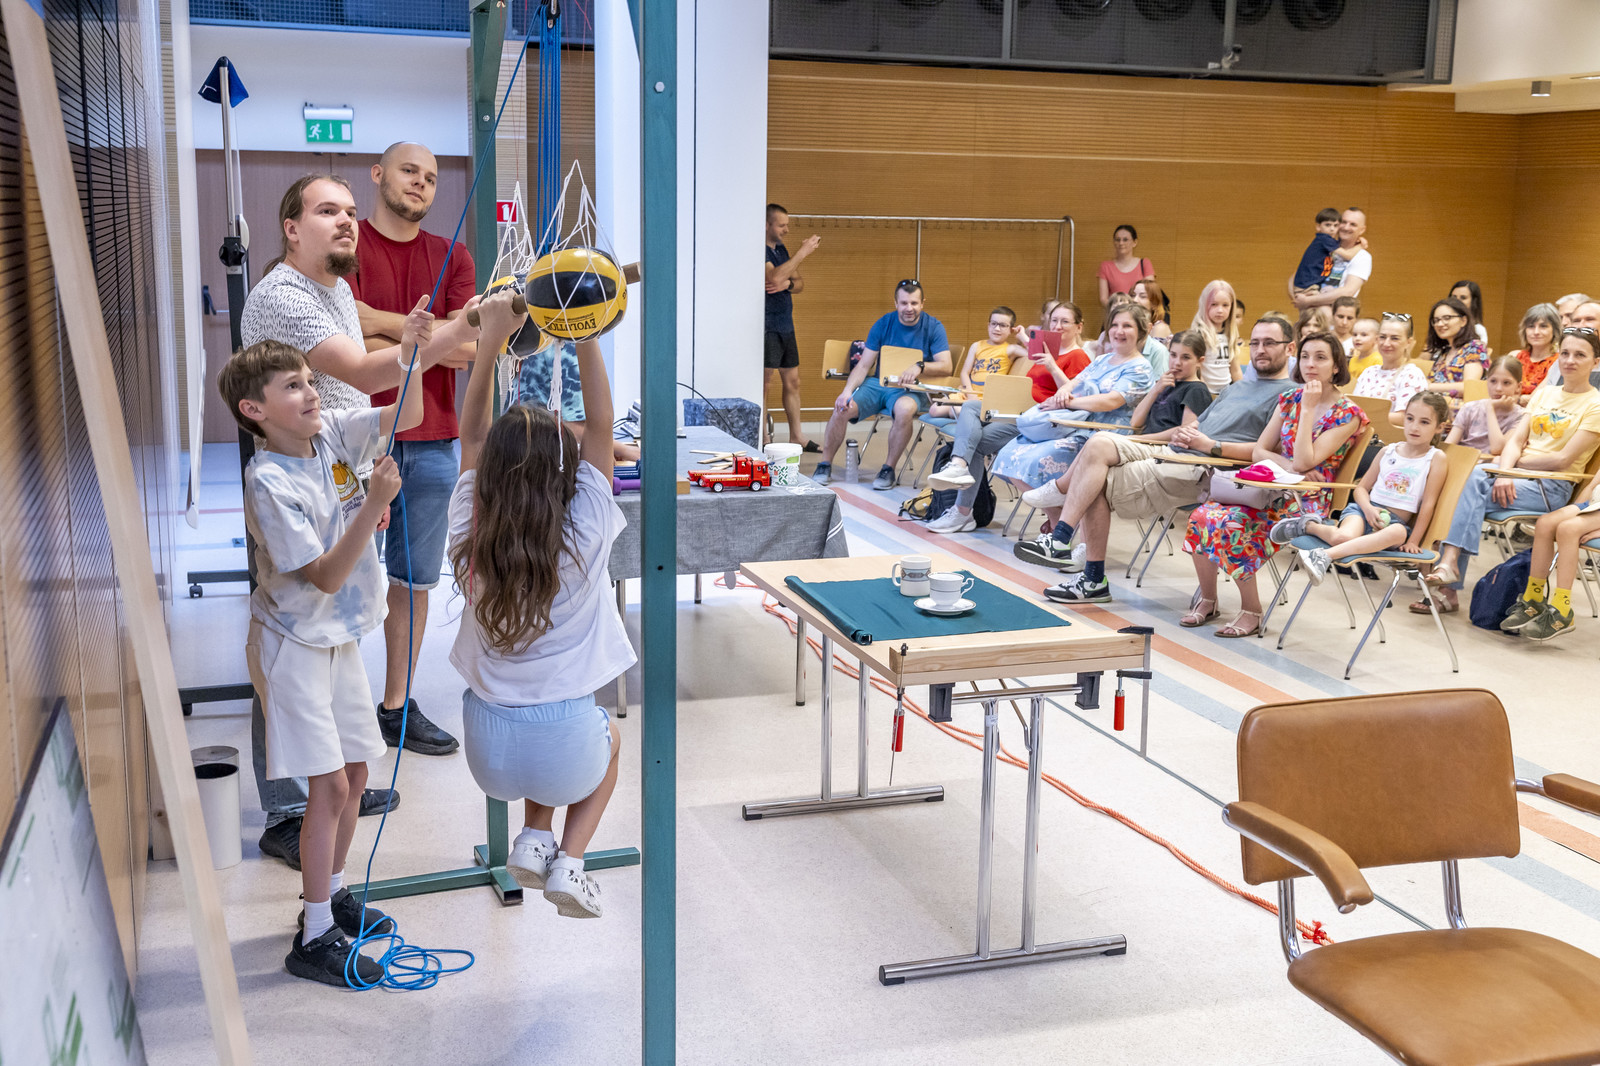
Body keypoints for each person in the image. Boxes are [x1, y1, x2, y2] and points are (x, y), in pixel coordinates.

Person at [240, 173, 482, 868]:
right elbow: (369, 376)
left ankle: (333, 781)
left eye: (349, 211)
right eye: (327, 211)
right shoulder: (284, 296)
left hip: (341, 483)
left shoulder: (338, 292)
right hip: (302, 492)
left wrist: (361, 494)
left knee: (334, 639)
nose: (346, 221)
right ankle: (289, 809)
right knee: (291, 641)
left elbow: (376, 391)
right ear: (292, 228)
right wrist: (463, 329)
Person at [221, 320, 426, 985]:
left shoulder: (331, 433)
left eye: (311, 381)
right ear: (254, 410)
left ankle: (330, 897)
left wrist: (414, 351)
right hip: (293, 644)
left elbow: (408, 411)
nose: (312, 393)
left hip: (337, 639)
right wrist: (374, 503)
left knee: (358, 775)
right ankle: (313, 937)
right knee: (330, 787)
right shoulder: (267, 481)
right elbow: (327, 576)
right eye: (293, 386)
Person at [449, 321, 631, 919]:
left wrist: (488, 344)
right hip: (566, 749)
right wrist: (586, 332)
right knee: (610, 738)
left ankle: (532, 837)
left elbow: (470, 434)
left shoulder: (470, 533)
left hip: (486, 753)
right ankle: (570, 864)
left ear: (489, 475)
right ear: (565, 472)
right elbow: (602, 427)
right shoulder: (585, 533)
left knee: (545, 726)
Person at [349, 142, 477, 761]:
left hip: (434, 442)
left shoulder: (453, 255)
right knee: (343, 580)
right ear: (378, 174)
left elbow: (470, 348)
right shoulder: (348, 245)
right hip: (356, 439)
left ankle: (396, 707)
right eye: (408, 171)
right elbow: (340, 333)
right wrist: (428, 333)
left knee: (413, 581)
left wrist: (380, 321)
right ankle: (340, 708)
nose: (421, 183)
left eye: (430, 177)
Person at [1017, 315, 1298, 596]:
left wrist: (1210, 445)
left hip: (1207, 467)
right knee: (1098, 444)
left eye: (1269, 343)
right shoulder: (1236, 387)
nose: (1260, 349)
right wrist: (1186, 433)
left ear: (1290, 348)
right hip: (1176, 449)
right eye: (1255, 343)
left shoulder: (1290, 395)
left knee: (1094, 480)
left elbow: (1269, 452)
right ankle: (1063, 541)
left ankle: (1085, 571)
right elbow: (1197, 424)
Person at [1181, 331, 1367, 636]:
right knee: (1202, 515)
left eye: (1320, 358)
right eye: (1305, 356)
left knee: (1231, 522)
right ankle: (1209, 600)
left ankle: (1251, 610)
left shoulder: (1348, 414)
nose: (1310, 364)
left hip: (1308, 499)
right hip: (1274, 487)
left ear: (1336, 366)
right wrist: (1289, 466)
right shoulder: (1289, 399)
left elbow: (1305, 461)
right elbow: (1260, 451)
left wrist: (1308, 409)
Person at [1425, 327, 1600, 614]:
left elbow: (1562, 459)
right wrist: (1505, 473)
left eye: (1580, 355)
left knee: (1466, 488)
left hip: (1551, 486)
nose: (1570, 360)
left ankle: (1447, 574)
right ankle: (1447, 568)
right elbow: (1515, 442)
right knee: (1463, 485)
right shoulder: (1545, 393)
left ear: (1595, 362)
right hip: (1515, 477)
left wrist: (1514, 466)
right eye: (1565, 353)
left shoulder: (1596, 404)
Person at [924, 303, 1088, 531]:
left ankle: (962, 507)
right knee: (971, 412)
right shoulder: (1049, 352)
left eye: (1065, 321)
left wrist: (1052, 367)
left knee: (973, 433)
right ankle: (959, 476)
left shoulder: (1078, 357)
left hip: (1040, 421)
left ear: (1079, 327)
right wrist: (1028, 341)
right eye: (1054, 320)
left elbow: (1075, 396)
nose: (1057, 326)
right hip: (1020, 411)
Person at [989, 304, 1153, 530]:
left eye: (1127, 326)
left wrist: (1069, 402)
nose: (1119, 331)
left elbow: (1111, 401)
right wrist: (1061, 395)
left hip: (1106, 439)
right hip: (1077, 427)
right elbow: (1074, 382)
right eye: (1115, 325)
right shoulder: (1102, 360)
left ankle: (1060, 521)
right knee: (1008, 453)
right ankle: (1057, 514)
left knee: (1034, 459)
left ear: (1141, 331)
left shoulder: (1140, 368)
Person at [1269, 392, 1450, 584]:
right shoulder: (1387, 451)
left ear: (1439, 427)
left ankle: (1323, 555)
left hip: (1393, 524)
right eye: (1410, 419)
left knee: (1399, 532)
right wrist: (1368, 509)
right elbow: (1361, 489)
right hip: (1363, 512)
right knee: (1342, 538)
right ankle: (1307, 525)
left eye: (1424, 422)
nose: (1414, 427)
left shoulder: (1435, 458)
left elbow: (1428, 504)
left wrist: (1413, 541)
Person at [812, 280, 952, 489]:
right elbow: (863, 365)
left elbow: (946, 366)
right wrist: (846, 391)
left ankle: (888, 469)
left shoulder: (934, 327)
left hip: (911, 390)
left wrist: (920, 366)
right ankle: (824, 464)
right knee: (842, 407)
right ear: (896, 303)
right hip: (878, 384)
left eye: (914, 303)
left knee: (904, 410)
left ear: (923, 303)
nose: (909, 308)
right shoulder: (883, 323)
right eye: (904, 303)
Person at [1499, 463, 1600, 641]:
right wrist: (1576, 509)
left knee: (1568, 529)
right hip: (1594, 503)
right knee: (1545, 523)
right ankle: (1533, 598)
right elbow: (1593, 485)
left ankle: (1562, 609)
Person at [764, 203, 822, 451]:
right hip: (767, 326)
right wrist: (803, 252)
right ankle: (763, 439)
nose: (786, 230)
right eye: (781, 225)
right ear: (767, 225)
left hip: (786, 324)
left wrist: (787, 283)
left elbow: (798, 283)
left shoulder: (781, 250)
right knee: (765, 383)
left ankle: (796, 435)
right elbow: (774, 278)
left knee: (793, 381)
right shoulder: (759, 250)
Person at [927, 306, 1027, 419]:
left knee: (957, 411)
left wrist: (1023, 337)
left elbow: (1035, 355)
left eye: (1003, 325)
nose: (997, 328)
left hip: (986, 399)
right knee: (934, 410)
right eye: (993, 323)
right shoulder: (976, 346)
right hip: (968, 393)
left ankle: (962, 414)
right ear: (988, 325)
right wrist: (969, 393)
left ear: (1011, 330)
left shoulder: (1011, 349)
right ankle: (961, 412)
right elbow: (964, 373)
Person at [1126, 330, 1212, 433]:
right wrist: (1155, 389)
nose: (1177, 363)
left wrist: (1140, 439)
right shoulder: (1165, 385)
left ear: (1199, 361)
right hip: (1145, 440)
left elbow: (1185, 432)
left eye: (1186, 357)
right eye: (1173, 355)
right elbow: (1135, 422)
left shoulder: (1197, 390)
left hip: (1160, 443)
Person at [1351, 312, 1427, 428]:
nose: (1386, 343)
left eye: (1394, 338)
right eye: (1382, 337)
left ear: (1408, 342)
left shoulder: (1411, 374)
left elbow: (1406, 418)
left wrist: (1364, 416)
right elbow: (1354, 408)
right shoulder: (1368, 372)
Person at [1290, 207, 1371, 310]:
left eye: (1353, 224)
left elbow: (1348, 291)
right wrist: (1298, 299)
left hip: (1334, 314)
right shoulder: (1325, 246)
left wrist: (1307, 301)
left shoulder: (1362, 256)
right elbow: (1296, 276)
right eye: (1343, 222)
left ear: (1362, 230)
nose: (1346, 227)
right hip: (1310, 309)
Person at [1447, 356, 1527, 459]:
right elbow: (1449, 445)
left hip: (1492, 465)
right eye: (1493, 381)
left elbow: (1497, 449)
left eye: (1506, 383)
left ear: (1518, 387)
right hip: (1464, 461)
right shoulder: (1469, 408)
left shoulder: (1521, 416)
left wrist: (1490, 409)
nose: (1498, 388)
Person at [1422, 296, 1489, 410]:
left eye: (1447, 318)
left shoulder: (1475, 347)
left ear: (1463, 321)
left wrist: (1431, 386)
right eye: (1436, 320)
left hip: (1462, 412)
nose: (1440, 324)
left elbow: (1469, 387)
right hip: (1438, 410)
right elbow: (1430, 381)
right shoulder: (1443, 352)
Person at [1191, 279, 1243, 390]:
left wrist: (1243, 392)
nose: (1220, 310)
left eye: (1225, 305)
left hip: (1226, 393)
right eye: (1214, 304)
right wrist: (1204, 394)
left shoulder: (1231, 335)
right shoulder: (1199, 335)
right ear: (1205, 305)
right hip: (1205, 392)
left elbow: (1235, 370)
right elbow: (1195, 371)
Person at [1509, 303, 1561, 396]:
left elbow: (1536, 399)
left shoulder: (1559, 362)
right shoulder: (1514, 357)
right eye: (1531, 326)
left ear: (1554, 330)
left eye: (1543, 326)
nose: (1536, 332)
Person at [1096, 224, 1153, 309]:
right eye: (1118, 239)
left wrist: (1132, 311)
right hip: (1116, 314)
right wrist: (1119, 310)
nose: (1121, 243)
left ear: (1135, 242)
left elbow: (1151, 293)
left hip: (1139, 313)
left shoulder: (1145, 263)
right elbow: (1103, 299)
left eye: (1125, 239)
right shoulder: (1105, 266)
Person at [1450, 280, 1490, 347]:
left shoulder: (1478, 329)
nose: (1457, 301)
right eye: (1454, 297)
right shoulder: (1442, 324)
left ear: (1473, 302)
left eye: (1463, 298)